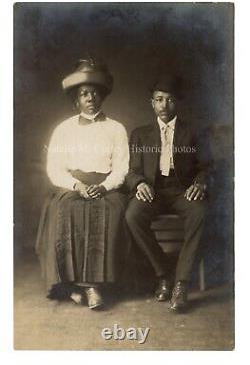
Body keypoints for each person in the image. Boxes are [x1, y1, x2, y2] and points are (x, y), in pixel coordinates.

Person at [36, 58, 129, 309]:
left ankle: (94, 285)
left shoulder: (116, 129)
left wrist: (104, 186)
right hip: (72, 185)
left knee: (112, 209)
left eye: (95, 92)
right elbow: (54, 168)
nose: (90, 98)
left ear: (102, 97)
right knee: (65, 209)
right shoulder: (63, 129)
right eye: (84, 94)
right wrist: (76, 186)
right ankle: (71, 285)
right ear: (76, 100)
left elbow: (122, 167)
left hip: (105, 185)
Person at [125, 75, 211, 312]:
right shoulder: (140, 134)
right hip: (153, 191)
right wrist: (139, 183)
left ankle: (181, 284)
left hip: (182, 190)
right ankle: (164, 273)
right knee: (132, 216)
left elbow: (206, 167)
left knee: (200, 213)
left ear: (177, 103)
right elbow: (131, 170)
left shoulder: (192, 133)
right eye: (159, 99)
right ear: (151, 103)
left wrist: (200, 183)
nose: (164, 105)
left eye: (170, 100)